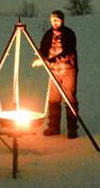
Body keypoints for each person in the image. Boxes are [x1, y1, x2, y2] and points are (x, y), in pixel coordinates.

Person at [32, 10, 79, 139]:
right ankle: (53, 126)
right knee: (53, 99)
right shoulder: (48, 35)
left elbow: (68, 51)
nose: (55, 22)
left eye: (58, 20)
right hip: (53, 71)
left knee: (70, 99)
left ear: (62, 20)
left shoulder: (69, 34)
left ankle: (72, 129)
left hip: (68, 69)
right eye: (53, 20)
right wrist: (39, 58)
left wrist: (51, 60)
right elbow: (43, 49)